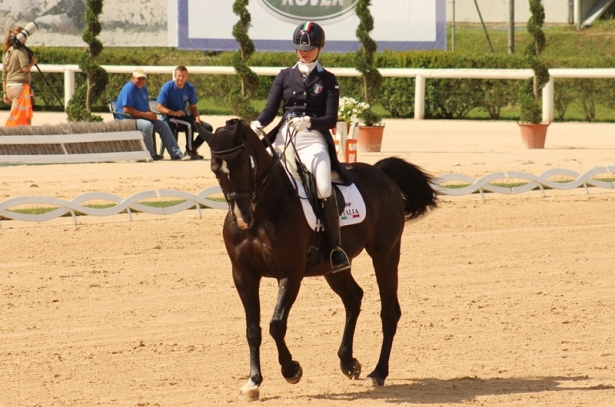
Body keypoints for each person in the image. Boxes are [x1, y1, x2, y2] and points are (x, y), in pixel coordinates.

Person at [250, 21, 352, 273]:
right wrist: (257, 124)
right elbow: (270, 110)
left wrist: (309, 122)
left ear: (320, 48)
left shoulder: (328, 80)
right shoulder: (285, 75)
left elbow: (331, 119)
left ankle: (335, 247)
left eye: (309, 48)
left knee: (324, 185)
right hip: (284, 138)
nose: (303, 53)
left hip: (312, 139)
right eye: (299, 48)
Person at [116, 68, 189, 161]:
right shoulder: (129, 89)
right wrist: (146, 115)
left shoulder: (143, 89)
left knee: (163, 125)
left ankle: (176, 154)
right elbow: (126, 110)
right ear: (132, 78)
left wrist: (151, 114)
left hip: (141, 117)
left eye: (143, 79)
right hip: (127, 119)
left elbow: (145, 106)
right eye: (139, 78)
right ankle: (150, 154)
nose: (141, 81)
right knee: (147, 125)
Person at [156, 65, 214, 160]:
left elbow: (193, 106)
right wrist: (173, 112)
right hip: (170, 117)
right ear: (175, 76)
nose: (181, 78)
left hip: (183, 116)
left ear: (187, 77)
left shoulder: (190, 88)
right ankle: (190, 150)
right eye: (179, 76)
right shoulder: (168, 87)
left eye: (183, 76)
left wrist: (197, 118)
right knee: (189, 125)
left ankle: (193, 148)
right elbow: (159, 107)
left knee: (207, 128)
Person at [2, 26, 37, 126]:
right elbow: (25, 68)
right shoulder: (21, 51)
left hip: (9, 88)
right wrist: (33, 62)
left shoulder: (6, 52)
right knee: (17, 117)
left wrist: (5, 92)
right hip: (20, 88)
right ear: (23, 37)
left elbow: (4, 75)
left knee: (21, 116)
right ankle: (9, 137)